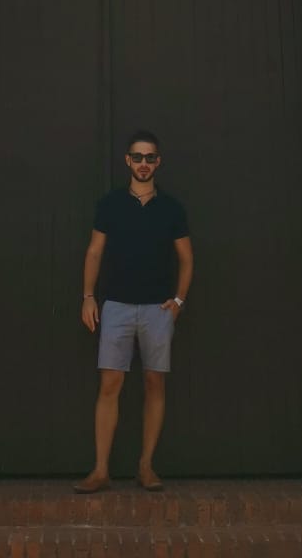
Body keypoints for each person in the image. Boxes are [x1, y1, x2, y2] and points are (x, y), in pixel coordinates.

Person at [75, 128, 193, 493]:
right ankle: (100, 470)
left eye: (150, 157)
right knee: (110, 384)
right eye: (137, 157)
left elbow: (187, 259)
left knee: (154, 382)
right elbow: (94, 251)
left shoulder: (172, 208)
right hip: (116, 307)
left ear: (158, 162)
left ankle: (146, 467)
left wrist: (177, 302)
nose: (144, 163)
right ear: (128, 160)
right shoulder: (110, 204)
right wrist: (88, 297)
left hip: (158, 309)